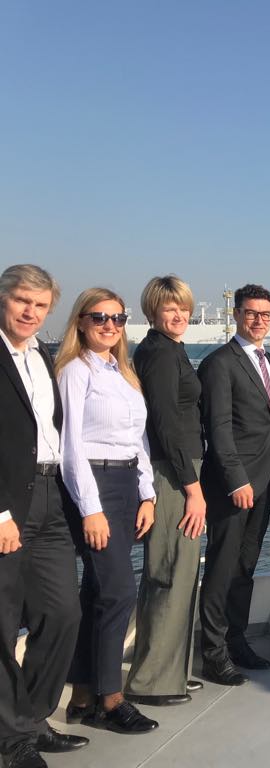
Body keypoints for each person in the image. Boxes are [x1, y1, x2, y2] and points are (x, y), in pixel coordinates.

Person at [57, 288, 159, 734]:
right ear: (80, 321)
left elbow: (139, 440)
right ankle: (111, 699)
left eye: (118, 318)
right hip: (93, 484)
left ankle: (82, 694)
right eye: (99, 317)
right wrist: (90, 509)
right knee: (119, 591)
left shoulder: (124, 373)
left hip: (126, 483)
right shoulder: (75, 371)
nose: (110, 325)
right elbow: (71, 448)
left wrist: (147, 494)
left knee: (97, 591)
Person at [0, 265, 87, 768]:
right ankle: (12, 738)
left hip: (52, 494)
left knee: (61, 613)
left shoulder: (41, 356)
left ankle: (31, 719)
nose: (30, 312)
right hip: (9, 503)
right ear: (3, 299)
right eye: (21, 301)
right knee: (3, 621)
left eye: (40, 305)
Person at [197, 284, 270, 686]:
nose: (258, 321)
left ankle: (237, 640)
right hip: (231, 485)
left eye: (266, 314)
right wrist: (236, 480)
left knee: (246, 565)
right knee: (221, 567)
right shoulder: (219, 363)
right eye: (251, 313)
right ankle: (213, 652)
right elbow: (217, 428)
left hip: (265, 481)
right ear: (235, 314)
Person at [124, 276, 206, 707]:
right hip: (174, 473)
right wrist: (193, 488)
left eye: (184, 308)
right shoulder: (157, 353)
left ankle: (173, 671)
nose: (179, 315)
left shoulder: (171, 349)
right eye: (170, 308)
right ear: (152, 311)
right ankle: (151, 681)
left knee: (182, 569)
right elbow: (165, 423)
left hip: (182, 469)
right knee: (170, 570)